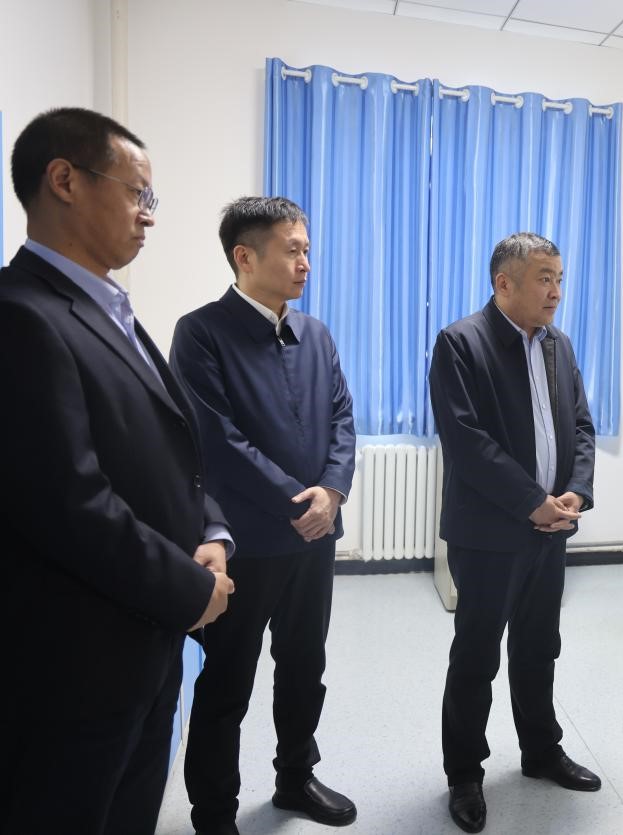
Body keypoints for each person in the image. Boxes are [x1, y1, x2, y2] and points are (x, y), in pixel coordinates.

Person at [0, 107, 235, 835]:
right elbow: (69, 502)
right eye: (138, 193)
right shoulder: (22, 315)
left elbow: (166, 447)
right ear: (65, 180)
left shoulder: (105, 305)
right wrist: (190, 589)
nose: (149, 215)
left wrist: (209, 530)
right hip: (80, 661)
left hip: (145, 637)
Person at [170, 196, 357, 834]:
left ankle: (295, 778)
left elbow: (341, 417)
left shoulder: (316, 334)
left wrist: (332, 492)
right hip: (243, 545)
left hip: (313, 539)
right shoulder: (201, 333)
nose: (306, 263)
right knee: (227, 682)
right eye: (292, 250)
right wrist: (296, 501)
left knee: (305, 668)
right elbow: (215, 439)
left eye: (307, 249)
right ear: (244, 256)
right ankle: (214, 812)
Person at [428, 232, 598, 833]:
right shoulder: (461, 342)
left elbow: (581, 425)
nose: (556, 291)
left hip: (551, 531)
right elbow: (466, 441)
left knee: (538, 647)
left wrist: (577, 489)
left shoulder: (558, 344)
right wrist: (532, 503)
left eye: (559, 278)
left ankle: (541, 751)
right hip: (489, 535)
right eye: (544, 278)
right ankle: (464, 774)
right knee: (476, 656)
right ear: (505, 283)